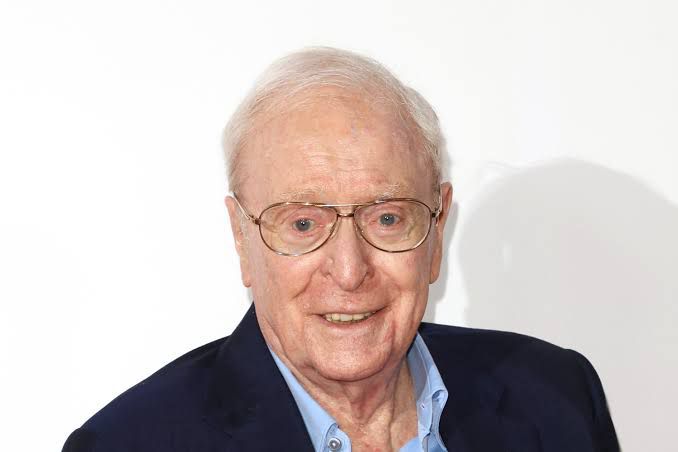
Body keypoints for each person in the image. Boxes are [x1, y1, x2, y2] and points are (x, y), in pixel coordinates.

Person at [62, 47, 620, 452]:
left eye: (387, 217)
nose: (350, 271)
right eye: (303, 223)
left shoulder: (558, 398)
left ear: (437, 228)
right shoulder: (127, 443)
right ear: (241, 238)